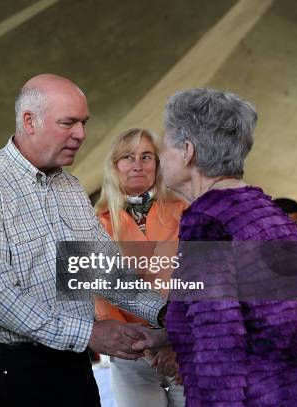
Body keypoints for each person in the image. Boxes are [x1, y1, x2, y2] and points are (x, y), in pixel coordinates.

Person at [0, 73, 167, 407]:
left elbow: (101, 270)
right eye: (68, 123)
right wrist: (89, 334)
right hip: (13, 369)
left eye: (84, 123)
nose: (81, 134)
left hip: (72, 360)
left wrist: (165, 311)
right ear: (29, 121)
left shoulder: (71, 188)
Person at [156, 88, 297, 405]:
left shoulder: (207, 221)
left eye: (163, 146)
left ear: (187, 151)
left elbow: (219, 341)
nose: (159, 158)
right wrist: (165, 336)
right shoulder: (265, 210)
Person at [94, 128, 186, 407]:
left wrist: (171, 340)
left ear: (157, 165)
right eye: (128, 157)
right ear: (114, 166)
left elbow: (202, 277)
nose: (137, 164)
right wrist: (141, 345)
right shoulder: (95, 222)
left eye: (146, 156)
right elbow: (97, 290)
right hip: (129, 350)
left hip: (185, 347)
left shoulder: (185, 210)